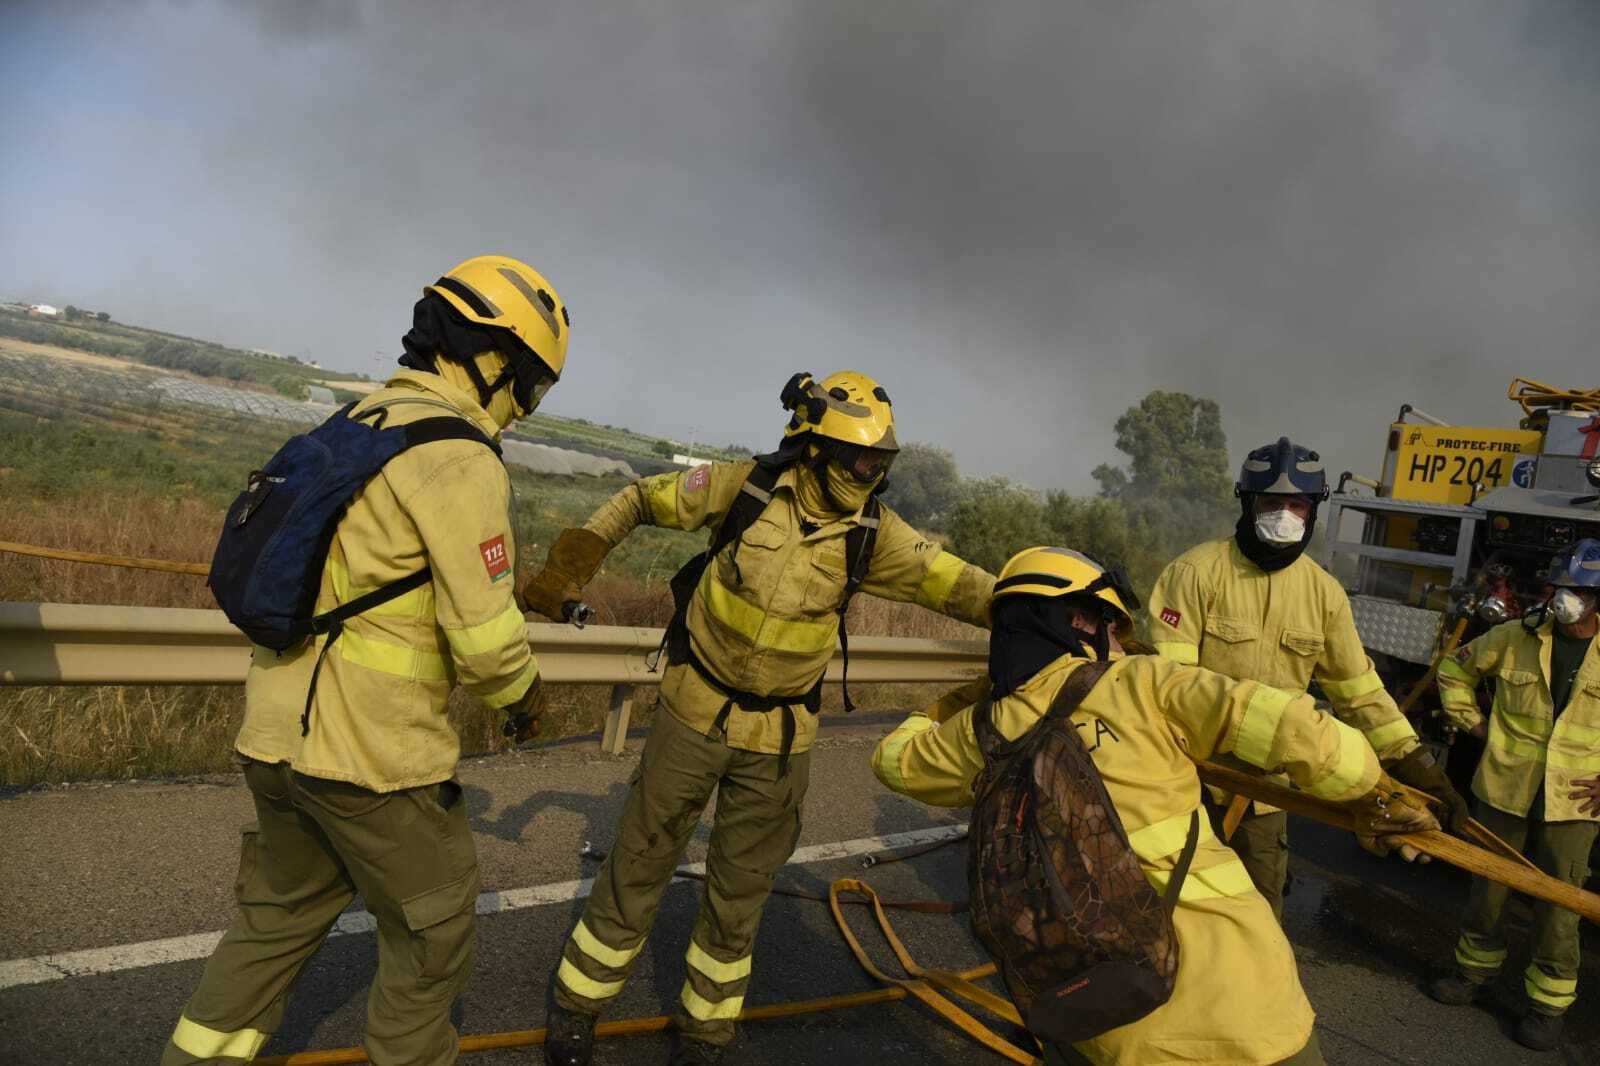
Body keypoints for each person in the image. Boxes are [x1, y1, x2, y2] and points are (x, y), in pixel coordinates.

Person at [161, 255, 568, 1066]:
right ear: (493, 360)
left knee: (274, 923)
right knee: (432, 933)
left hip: (275, 738)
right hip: (374, 758)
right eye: (530, 384)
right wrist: (526, 702)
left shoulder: (358, 421)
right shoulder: (459, 456)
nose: (524, 406)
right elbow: (488, 644)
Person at [531, 371, 995, 1065]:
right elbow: (640, 498)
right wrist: (569, 565)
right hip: (693, 713)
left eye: (879, 462)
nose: (868, 474)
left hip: (779, 742)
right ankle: (576, 1009)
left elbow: (962, 586)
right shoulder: (744, 489)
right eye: (858, 459)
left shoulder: (876, 535)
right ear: (816, 448)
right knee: (638, 863)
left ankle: (705, 1035)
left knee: (739, 895)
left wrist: (1054, 612)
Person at [871, 546, 1435, 1066]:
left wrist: (957, 701)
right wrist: (1380, 798)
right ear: (1080, 621)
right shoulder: (1144, 682)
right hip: (1239, 1010)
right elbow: (1299, 730)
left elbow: (894, 761)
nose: (1120, 643)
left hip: (1102, 1018)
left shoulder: (980, 731)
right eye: (1113, 627)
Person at [1144, 436, 1467, 918]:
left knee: (1259, 916)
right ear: (1248, 503)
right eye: (1272, 503)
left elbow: (1360, 692)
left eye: (1297, 504)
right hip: (1190, 782)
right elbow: (1166, 687)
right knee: (1168, 910)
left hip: (1265, 796)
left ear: (1314, 510)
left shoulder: (1324, 594)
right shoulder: (1194, 574)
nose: (1285, 515)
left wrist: (1416, 763)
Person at [1427, 537, 1600, 1052]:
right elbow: (1454, 670)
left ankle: (1547, 1007)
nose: (1565, 598)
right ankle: (1470, 975)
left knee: (1559, 908)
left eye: (1578, 590)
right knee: (1487, 891)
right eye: (1560, 587)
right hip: (1504, 790)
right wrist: (1474, 725)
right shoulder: (1514, 636)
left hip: (1573, 803)